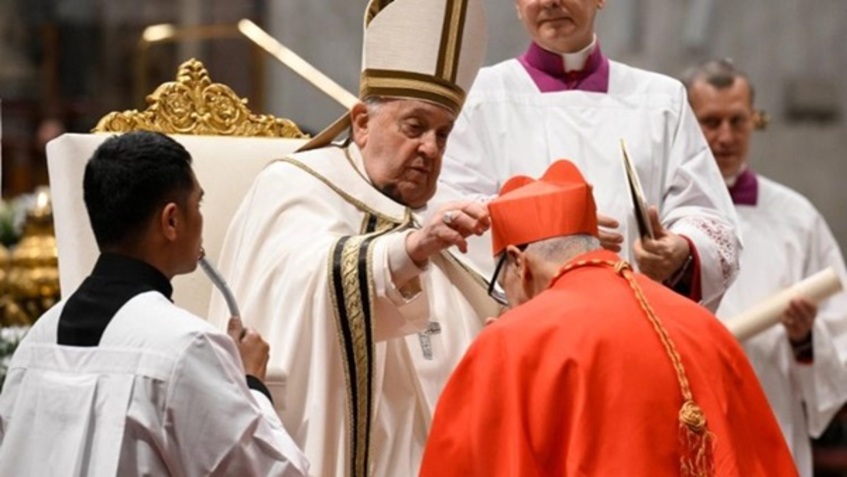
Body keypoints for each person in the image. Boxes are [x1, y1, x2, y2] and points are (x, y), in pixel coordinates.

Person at [208, 1, 497, 476]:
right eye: (414, 127)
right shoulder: (296, 182)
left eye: (443, 134)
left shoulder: (446, 210)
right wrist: (407, 251)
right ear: (362, 123)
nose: (430, 148)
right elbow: (296, 286)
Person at [420, 159, 797, 476]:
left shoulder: (513, 340)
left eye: (503, 286)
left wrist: (501, 350)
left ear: (520, 263)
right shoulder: (704, 326)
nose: (508, 304)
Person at [0, 131, 309, 476]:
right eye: (198, 204)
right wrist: (251, 383)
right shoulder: (187, 347)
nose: (201, 219)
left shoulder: (37, 339)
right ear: (171, 221)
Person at [435, 0, 740, 311]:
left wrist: (681, 250)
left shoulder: (661, 100)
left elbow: (706, 212)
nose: (549, 2)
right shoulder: (479, 96)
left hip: (636, 314)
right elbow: (453, 209)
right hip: (529, 321)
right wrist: (554, 225)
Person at [683, 59, 847, 477]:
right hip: (687, 407)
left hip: (771, 409)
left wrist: (805, 337)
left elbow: (840, 334)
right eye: (711, 122)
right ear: (685, 123)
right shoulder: (662, 215)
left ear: (755, 120)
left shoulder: (797, 218)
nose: (726, 136)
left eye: (738, 121)